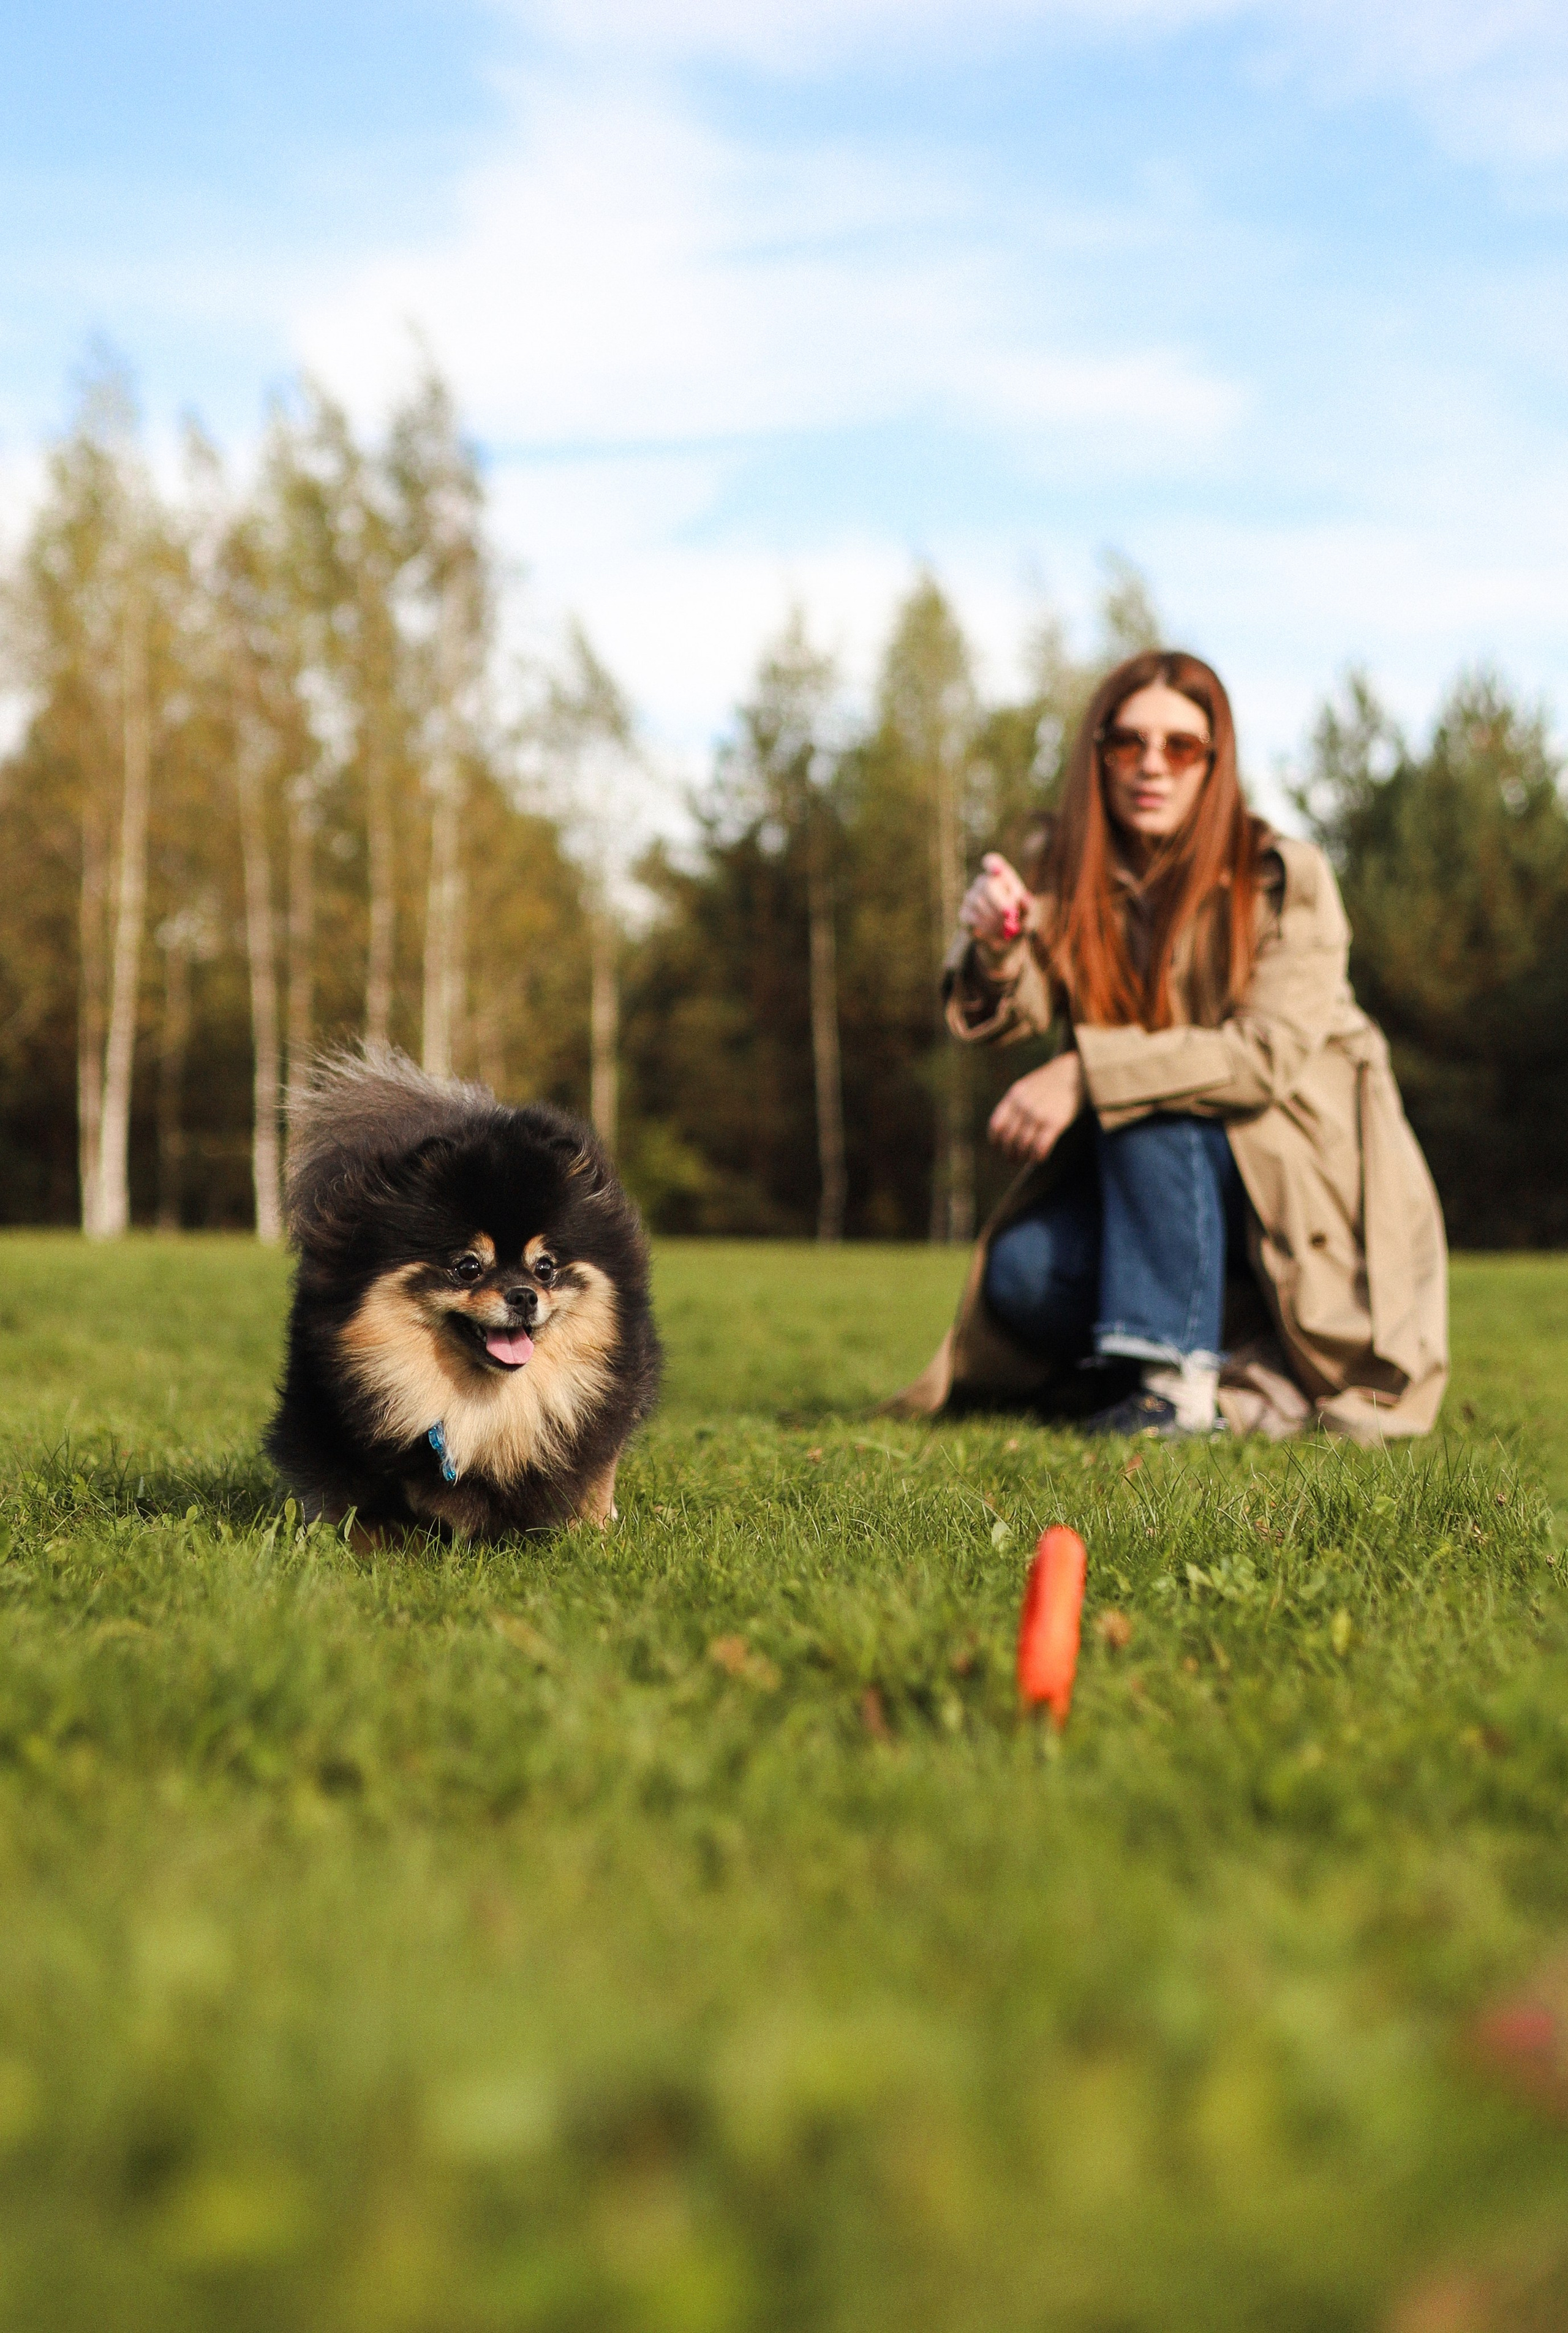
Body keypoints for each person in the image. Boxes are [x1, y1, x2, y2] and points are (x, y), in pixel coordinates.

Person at [888, 649, 1447, 1442]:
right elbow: (1016, 1002)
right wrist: (997, 942)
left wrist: (1088, 1072)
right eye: (1128, 743)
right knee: (1021, 1273)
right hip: (1171, 1211)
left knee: (1150, 1095)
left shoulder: (1286, 878)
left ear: (1214, 764)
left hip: (1297, 1199)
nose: (1153, 766)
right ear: (1099, 756)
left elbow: (1261, 1058)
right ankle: (1191, 1369)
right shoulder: (1078, 876)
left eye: (1182, 747)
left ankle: (1176, 1385)